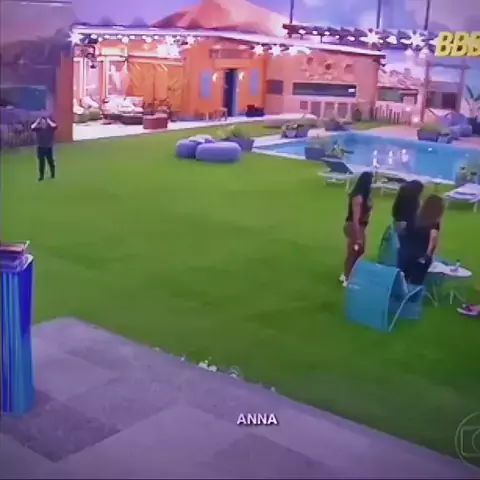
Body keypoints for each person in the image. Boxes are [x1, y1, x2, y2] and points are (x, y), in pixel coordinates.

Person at [397, 194, 445, 286]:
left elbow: (401, 231)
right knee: (416, 282)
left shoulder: (413, 218)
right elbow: (433, 239)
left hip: (406, 254)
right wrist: (427, 256)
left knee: (403, 279)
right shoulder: (434, 223)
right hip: (420, 256)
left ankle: (402, 292)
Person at [340, 171, 373, 286]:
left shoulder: (365, 196)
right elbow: (355, 219)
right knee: (354, 252)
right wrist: (358, 236)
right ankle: (347, 277)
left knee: (358, 251)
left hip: (361, 227)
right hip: (354, 227)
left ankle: (347, 274)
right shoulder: (358, 198)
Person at [31, 116, 57, 181]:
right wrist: (37, 121)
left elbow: (55, 126)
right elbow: (32, 127)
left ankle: (53, 174)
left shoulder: (50, 128)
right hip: (40, 148)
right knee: (41, 163)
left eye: (44, 122)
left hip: (48, 147)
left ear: (46, 122)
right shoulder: (38, 129)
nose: (43, 123)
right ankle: (41, 176)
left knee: (50, 161)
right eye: (41, 122)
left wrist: (48, 120)